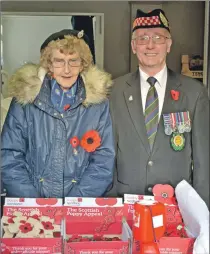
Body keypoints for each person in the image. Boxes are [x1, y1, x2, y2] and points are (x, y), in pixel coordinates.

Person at [108, 9, 209, 206]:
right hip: (126, 202)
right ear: (133, 46)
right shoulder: (113, 91)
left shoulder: (194, 93)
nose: (150, 45)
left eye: (158, 37)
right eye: (143, 38)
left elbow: (203, 160)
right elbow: (106, 153)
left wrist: (202, 213)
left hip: (177, 205)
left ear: (169, 45)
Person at [1, 29, 115, 198]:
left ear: (83, 63)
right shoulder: (24, 101)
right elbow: (9, 157)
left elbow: (103, 161)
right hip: (32, 209)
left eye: (73, 61)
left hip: (80, 207)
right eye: (59, 61)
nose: (67, 70)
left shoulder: (98, 104)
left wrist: (74, 204)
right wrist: (37, 205)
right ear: (49, 65)